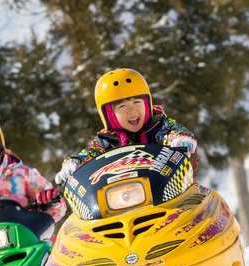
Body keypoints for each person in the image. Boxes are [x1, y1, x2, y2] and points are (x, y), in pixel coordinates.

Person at [55, 68, 198, 184]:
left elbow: (173, 132)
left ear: (147, 105)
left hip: (168, 188)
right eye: (122, 106)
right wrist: (74, 164)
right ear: (110, 115)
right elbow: (89, 155)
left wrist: (179, 139)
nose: (132, 110)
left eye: (137, 102)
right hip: (121, 198)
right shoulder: (107, 142)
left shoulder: (158, 127)